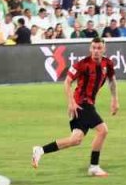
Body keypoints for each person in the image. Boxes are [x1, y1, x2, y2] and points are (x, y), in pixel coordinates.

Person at [32, 38, 120, 177]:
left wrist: (114, 99)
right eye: (94, 48)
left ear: (104, 49)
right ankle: (94, 166)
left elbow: (112, 81)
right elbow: (67, 82)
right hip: (81, 104)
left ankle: (40, 150)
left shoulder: (107, 63)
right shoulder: (82, 64)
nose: (96, 51)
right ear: (90, 49)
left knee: (75, 140)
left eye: (99, 48)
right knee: (103, 130)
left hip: (87, 104)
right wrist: (71, 101)